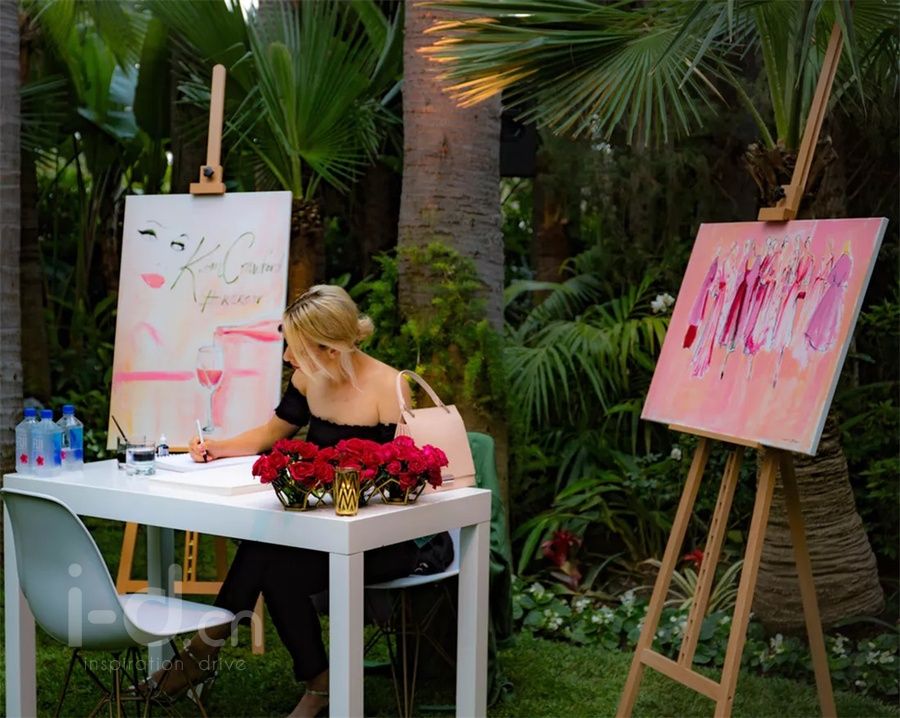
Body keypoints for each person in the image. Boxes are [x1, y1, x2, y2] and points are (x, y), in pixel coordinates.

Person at [144, 285, 425, 718]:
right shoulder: (307, 379)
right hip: (320, 530)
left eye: (296, 348)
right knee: (268, 557)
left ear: (329, 348)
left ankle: (206, 653)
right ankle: (313, 683)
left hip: (382, 539)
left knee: (267, 557)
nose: (288, 358)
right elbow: (270, 435)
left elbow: (402, 480)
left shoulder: (389, 386)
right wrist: (216, 447)